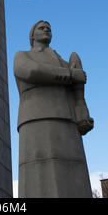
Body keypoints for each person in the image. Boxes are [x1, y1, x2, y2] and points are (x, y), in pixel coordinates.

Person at [14, 20, 94, 198]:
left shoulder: (66, 63)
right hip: (35, 118)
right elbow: (30, 71)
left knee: (74, 179)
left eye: (49, 29)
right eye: (42, 28)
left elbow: (78, 92)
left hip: (68, 119)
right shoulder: (22, 55)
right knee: (39, 181)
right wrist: (70, 75)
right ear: (32, 36)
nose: (47, 30)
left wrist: (81, 106)